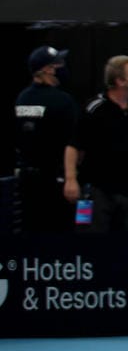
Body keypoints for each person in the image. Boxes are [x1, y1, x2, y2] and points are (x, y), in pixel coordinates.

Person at [64, 55, 128, 234]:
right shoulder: (95, 109)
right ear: (120, 81)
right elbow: (73, 146)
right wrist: (71, 179)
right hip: (98, 190)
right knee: (92, 241)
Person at [14, 46, 78, 232]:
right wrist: (71, 176)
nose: (63, 67)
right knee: (58, 235)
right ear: (48, 69)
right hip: (56, 180)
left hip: (27, 180)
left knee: (31, 234)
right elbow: (73, 142)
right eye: (59, 64)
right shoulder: (63, 101)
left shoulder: (22, 99)